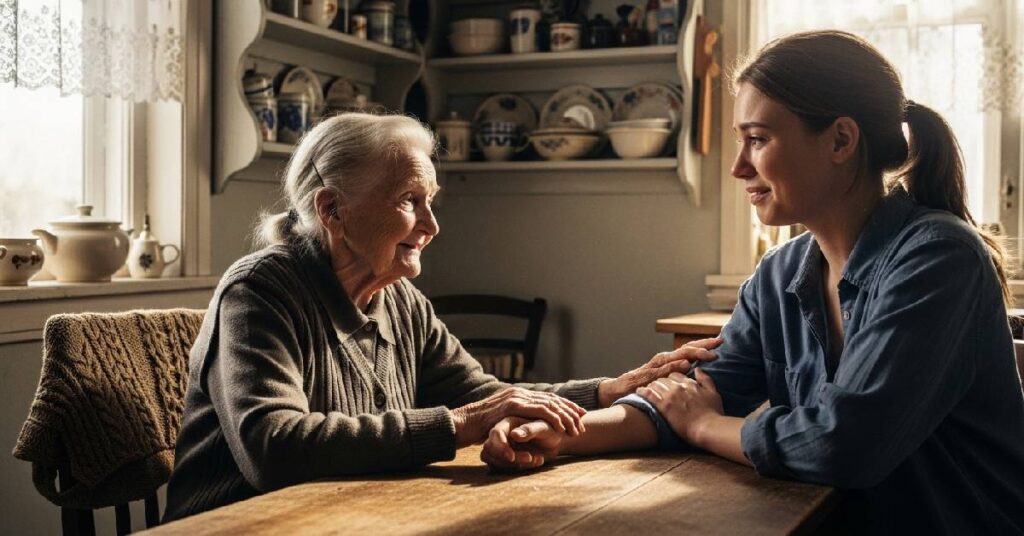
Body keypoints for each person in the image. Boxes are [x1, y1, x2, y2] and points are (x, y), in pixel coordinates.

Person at [481, 31, 1024, 534]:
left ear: (840, 140)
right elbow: (690, 397)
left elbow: (844, 446)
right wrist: (563, 434)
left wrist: (705, 428)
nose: (739, 167)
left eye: (758, 139)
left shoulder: (938, 257)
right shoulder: (779, 273)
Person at [162, 112, 720, 521]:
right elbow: (274, 448)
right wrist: (462, 424)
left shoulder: (400, 300)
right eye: (410, 200)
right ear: (332, 210)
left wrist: (606, 390)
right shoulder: (260, 290)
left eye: (432, 202)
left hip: (345, 518)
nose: (430, 226)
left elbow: (482, 392)